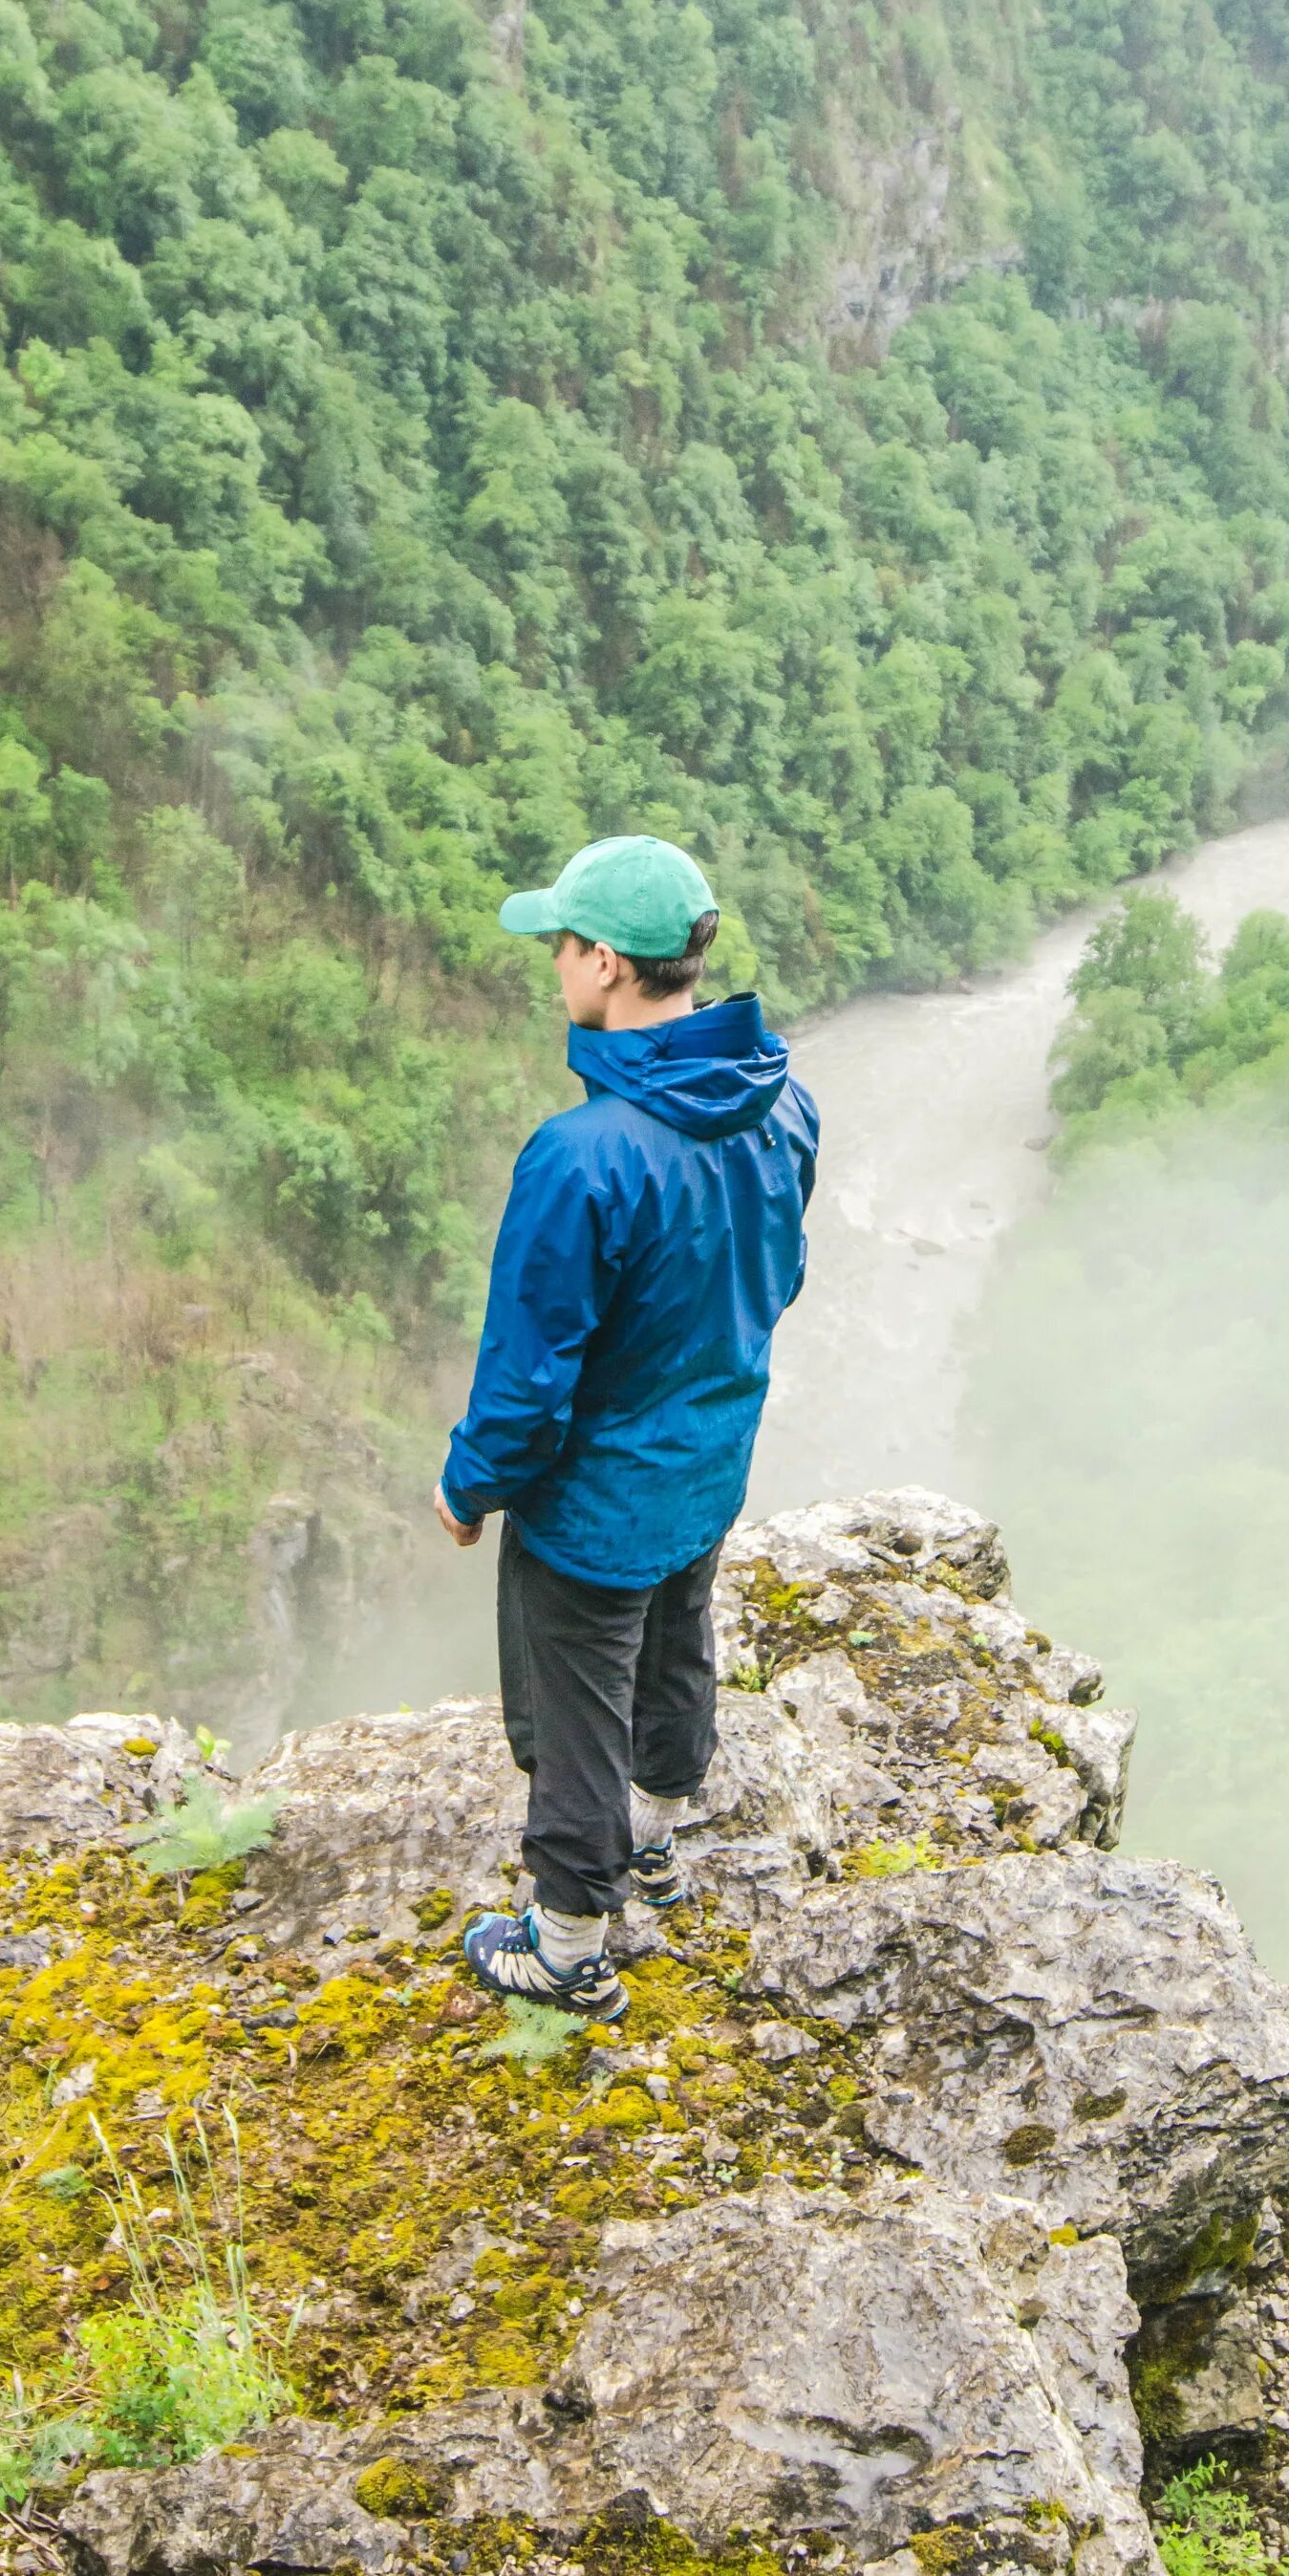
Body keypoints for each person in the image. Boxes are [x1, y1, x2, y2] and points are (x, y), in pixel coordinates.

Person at [435, 834, 818, 2019]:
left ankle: (565, 1946)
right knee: (677, 1641)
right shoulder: (781, 1105)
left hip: (596, 1498)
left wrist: (472, 1482)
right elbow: (777, 1277)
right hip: (709, 1456)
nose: (553, 964)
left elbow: (528, 1368)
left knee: (575, 1704)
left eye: (559, 944)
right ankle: (655, 1835)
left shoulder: (581, 1156)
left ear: (604, 962)